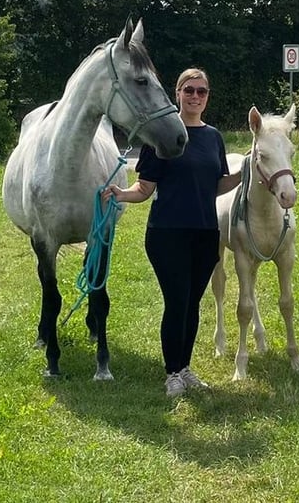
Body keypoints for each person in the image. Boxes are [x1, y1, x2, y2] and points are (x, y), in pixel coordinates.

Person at [103, 68, 241, 397]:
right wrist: (122, 194)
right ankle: (171, 374)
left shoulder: (213, 137)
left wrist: (246, 172)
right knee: (177, 301)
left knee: (192, 303)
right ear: (177, 93)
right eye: (189, 90)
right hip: (167, 233)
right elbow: (145, 187)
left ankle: (185, 368)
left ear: (207, 97)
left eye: (202, 92)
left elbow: (216, 184)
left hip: (206, 234)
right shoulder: (160, 134)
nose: (195, 97)